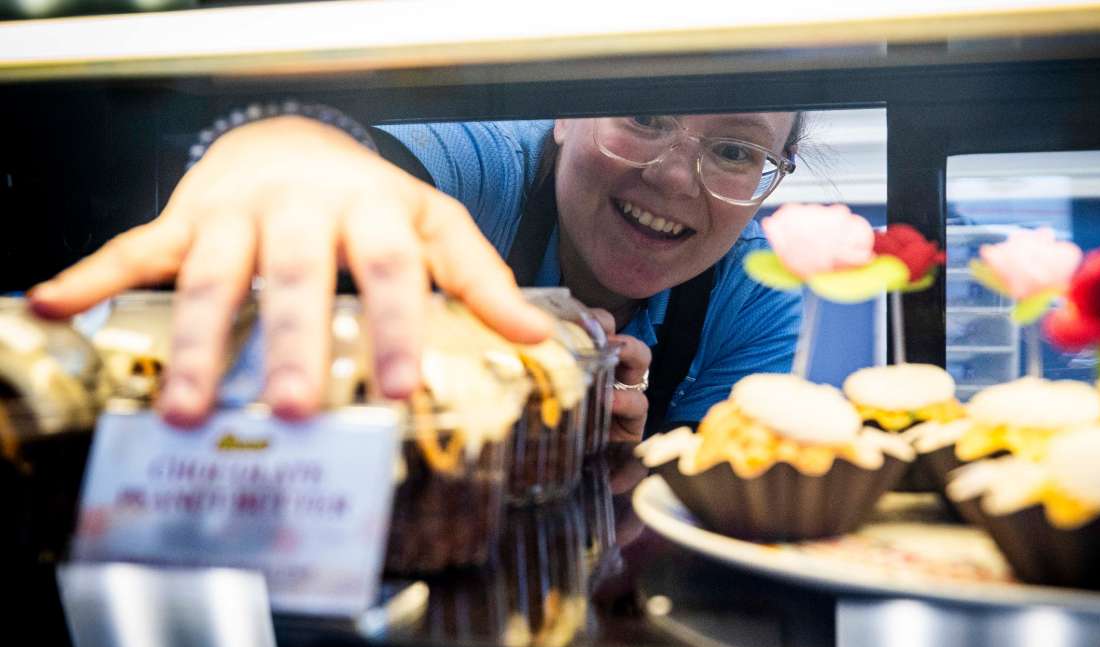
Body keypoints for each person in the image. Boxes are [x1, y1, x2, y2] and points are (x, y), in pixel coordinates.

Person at [27, 109, 807, 441]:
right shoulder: (491, 165)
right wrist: (286, 144)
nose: (674, 178)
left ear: (775, 176)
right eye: (645, 116)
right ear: (566, 118)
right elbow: (350, 156)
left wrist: (617, 456)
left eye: (737, 151)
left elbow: (700, 496)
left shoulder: (757, 294)